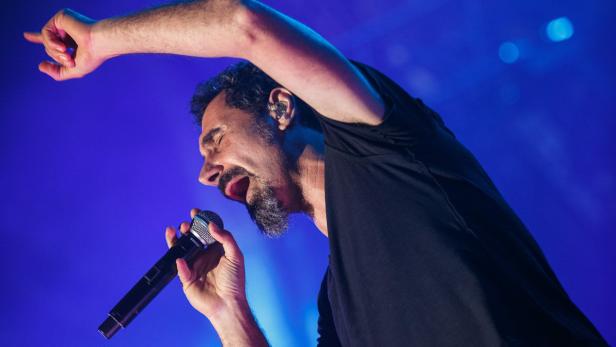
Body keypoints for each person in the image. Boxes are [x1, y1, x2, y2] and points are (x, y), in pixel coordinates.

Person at [25, 1, 607, 346]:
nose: (205, 173)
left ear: (281, 109)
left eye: (217, 139)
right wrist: (231, 316)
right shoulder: (337, 308)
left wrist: (103, 39)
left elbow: (245, 26)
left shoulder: (386, 148)